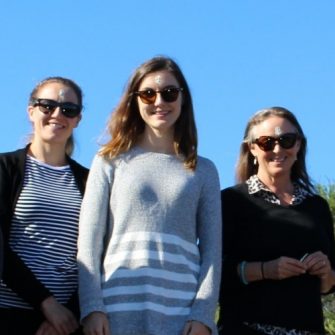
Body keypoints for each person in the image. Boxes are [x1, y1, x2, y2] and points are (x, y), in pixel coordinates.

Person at [77, 56, 222, 335]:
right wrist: (92, 308)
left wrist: (203, 315)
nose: (159, 102)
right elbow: (88, 244)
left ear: (183, 99)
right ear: (135, 100)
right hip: (116, 313)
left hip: (182, 319)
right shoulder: (109, 161)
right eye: (148, 94)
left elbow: (213, 253)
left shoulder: (203, 170)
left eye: (169, 93)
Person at [218, 106, 335, 335]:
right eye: (266, 142)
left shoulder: (317, 207)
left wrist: (325, 272)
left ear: (299, 145)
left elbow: (328, 285)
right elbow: (212, 273)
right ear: (252, 148)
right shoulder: (230, 202)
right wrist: (264, 270)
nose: (278, 148)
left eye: (287, 140)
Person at [0, 77, 89, 335]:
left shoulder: (91, 181)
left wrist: (68, 312)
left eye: (68, 109)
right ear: (31, 111)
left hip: (66, 324)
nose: (57, 114)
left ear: (77, 119)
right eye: (47, 106)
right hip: (9, 315)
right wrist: (46, 304)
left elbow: (98, 253)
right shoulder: (5, 170)